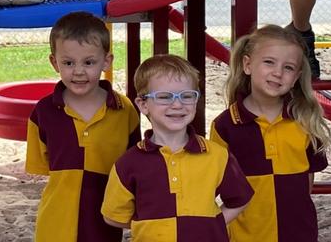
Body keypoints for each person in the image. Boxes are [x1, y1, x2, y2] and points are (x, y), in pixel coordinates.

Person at [101, 54, 252, 239]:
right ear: (143, 105)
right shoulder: (128, 164)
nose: (177, 104)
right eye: (164, 97)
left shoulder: (218, 155)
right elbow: (113, 217)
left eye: (187, 96)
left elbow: (240, 199)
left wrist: (214, 223)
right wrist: (151, 224)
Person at [26, 11, 140, 241]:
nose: (78, 71)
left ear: (106, 61)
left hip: (104, 225)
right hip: (55, 225)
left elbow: (133, 167)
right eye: (68, 63)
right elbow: (42, 167)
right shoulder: (43, 112)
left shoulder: (124, 110)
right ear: (54, 62)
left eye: (89, 62)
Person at [211, 25, 331, 241]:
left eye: (288, 67)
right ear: (247, 64)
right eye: (269, 62)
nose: (278, 73)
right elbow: (217, 184)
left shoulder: (305, 121)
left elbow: (307, 184)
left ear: (297, 77)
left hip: (298, 232)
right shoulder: (225, 125)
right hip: (246, 235)